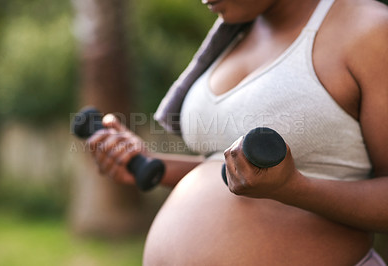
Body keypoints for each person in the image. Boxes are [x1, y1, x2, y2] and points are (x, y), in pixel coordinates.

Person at [87, 0, 388, 264]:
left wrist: (296, 190)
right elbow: (232, 171)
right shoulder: (235, 33)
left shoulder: (370, 29)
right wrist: (156, 165)